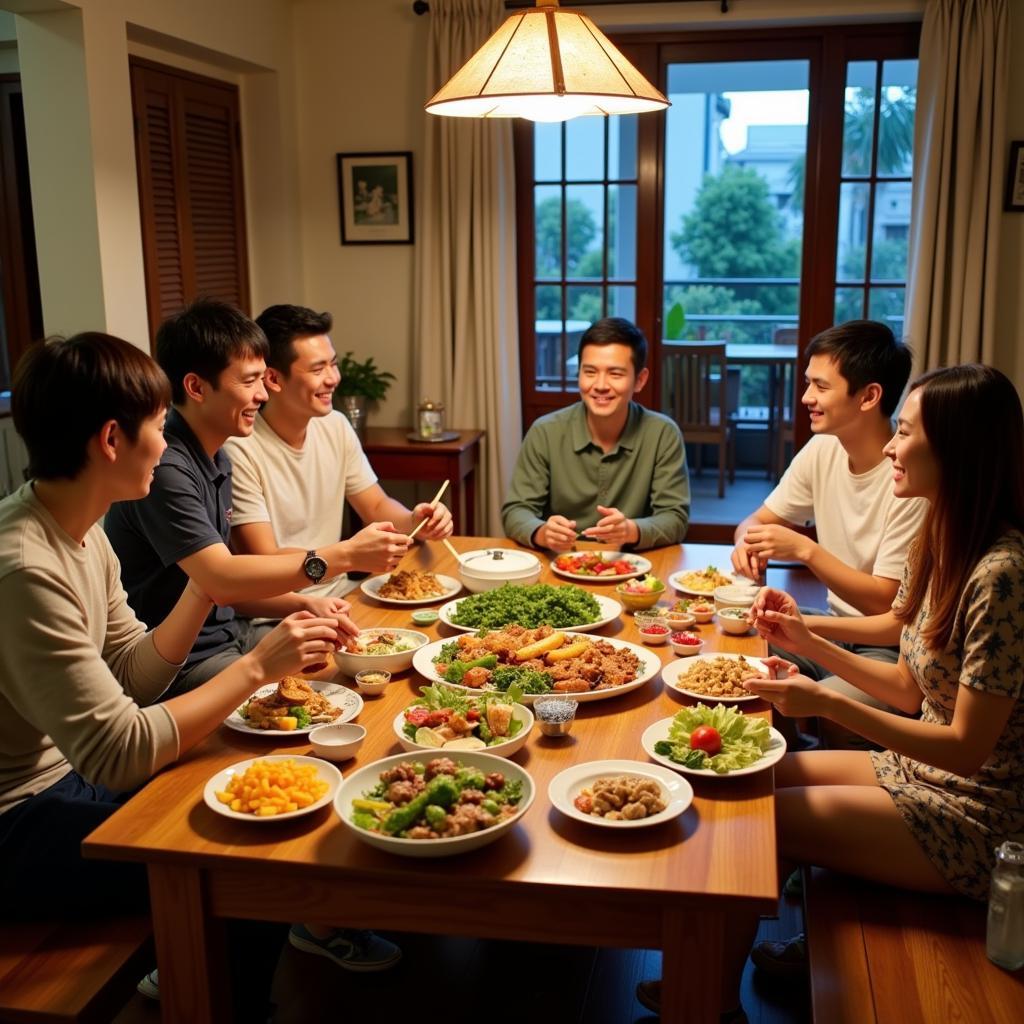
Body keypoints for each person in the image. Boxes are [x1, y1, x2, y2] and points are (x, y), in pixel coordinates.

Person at [638, 363, 1024, 1019]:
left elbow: (963, 750)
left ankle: (701, 1002)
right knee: (751, 789)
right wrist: (805, 640)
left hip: (980, 815)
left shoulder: (1003, 574)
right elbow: (908, 685)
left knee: (753, 831)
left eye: (905, 433)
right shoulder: (941, 532)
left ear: (957, 447)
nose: (893, 448)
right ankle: (704, 986)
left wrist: (825, 701)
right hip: (919, 772)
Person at [0, 333, 345, 1018]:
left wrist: (203, 589)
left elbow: (132, 672)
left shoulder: (78, 525)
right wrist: (255, 666)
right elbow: (119, 753)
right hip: (17, 821)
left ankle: (210, 987)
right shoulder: (26, 567)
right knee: (244, 862)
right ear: (110, 439)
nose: (165, 442)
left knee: (258, 802)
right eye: (158, 425)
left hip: (68, 782)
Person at [104, 300, 413, 694]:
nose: (262, 395)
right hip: (178, 669)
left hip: (231, 638)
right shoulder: (165, 466)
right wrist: (346, 556)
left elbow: (226, 590)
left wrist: (304, 604)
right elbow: (222, 580)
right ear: (196, 387)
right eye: (249, 382)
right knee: (333, 700)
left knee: (374, 661)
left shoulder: (219, 451)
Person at [730, 320, 928, 747]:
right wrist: (747, 544)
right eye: (807, 384)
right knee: (737, 664)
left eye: (820, 386)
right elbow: (755, 522)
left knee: (832, 711)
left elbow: (887, 603)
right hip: (832, 627)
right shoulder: (824, 448)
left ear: (869, 396)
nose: (806, 398)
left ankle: (803, 768)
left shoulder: (909, 478)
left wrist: (806, 549)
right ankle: (789, 759)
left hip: (887, 650)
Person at [224, 303, 452, 597]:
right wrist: (349, 554)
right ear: (274, 379)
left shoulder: (334, 425)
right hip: (281, 609)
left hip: (342, 590)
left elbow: (375, 506)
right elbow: (263, 556)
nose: (334, 378)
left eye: (333, 363)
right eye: (318, 369)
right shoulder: (240, 449)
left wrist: (416, 521)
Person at [501, 317, 689, 551]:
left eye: (615, 374)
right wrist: (542, 532)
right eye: (589, 372)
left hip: (635, 569)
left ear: (639, 380)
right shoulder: (545, 431)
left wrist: (630, 530)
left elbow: (675, 518)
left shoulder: (663, 434)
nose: (600, 385)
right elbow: (516, 511)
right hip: (560, 564)